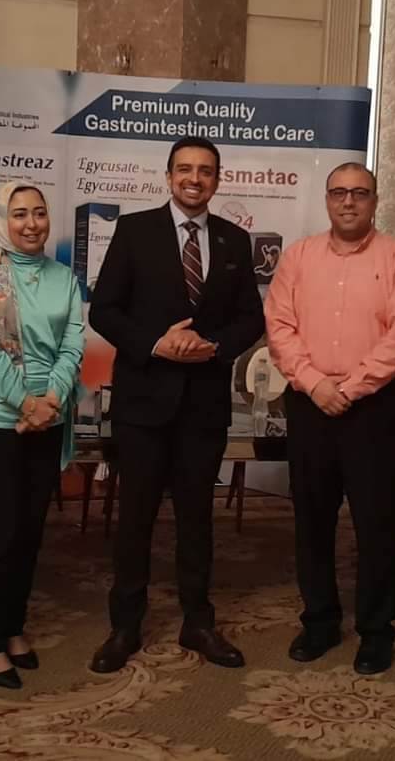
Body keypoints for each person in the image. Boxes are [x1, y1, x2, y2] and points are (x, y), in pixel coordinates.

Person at [88, 137, 264, 673]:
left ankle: (198, 621)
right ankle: (125, 625)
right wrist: (155, 344)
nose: (194, 178)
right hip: (143, 403)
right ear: (168, 177)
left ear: (217, 180)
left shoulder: (235, 239)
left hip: (203, 405)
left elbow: (251, 319)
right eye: (184, 169)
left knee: (197, 519)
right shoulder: (134, 231)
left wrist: (213, 346)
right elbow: (104, 310)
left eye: (205, 170)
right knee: (135, 518)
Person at [265, 162, 395, 675]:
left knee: (378, 523)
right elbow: (280, 327)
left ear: (375, 200)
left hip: (375, 409)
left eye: (360, 193)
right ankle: (320, 621)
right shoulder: (298, 257)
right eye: (339, 193)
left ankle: (376, 631)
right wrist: (316, 384)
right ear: (327, 200)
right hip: (310, 405)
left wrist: (349, 389)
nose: (349, 201)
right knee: (312, 520)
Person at [0, 181, 84, 689]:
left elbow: (73, 345)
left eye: (39, 213)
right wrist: (25, 402)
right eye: (20, 213)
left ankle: (11, 626)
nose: (31, 223)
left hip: (47, 417)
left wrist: (50, 400)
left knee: (29, 533)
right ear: (3, 219)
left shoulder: (63, 277)